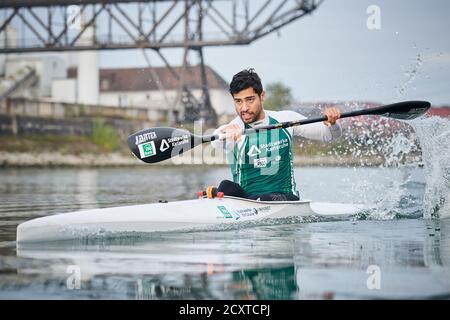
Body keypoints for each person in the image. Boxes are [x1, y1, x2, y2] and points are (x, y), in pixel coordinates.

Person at [211, 68, 341, 201]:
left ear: (262, 96)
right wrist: (225, 132)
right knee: (225, 186)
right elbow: (216, 141)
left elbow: (329, 135)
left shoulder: (285, 119)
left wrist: (332, 122)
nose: (244, 108)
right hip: (248, 201)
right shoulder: (234, 127)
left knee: (266, 198)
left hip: (284, 197)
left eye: (249, 100)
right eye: (238, 101)